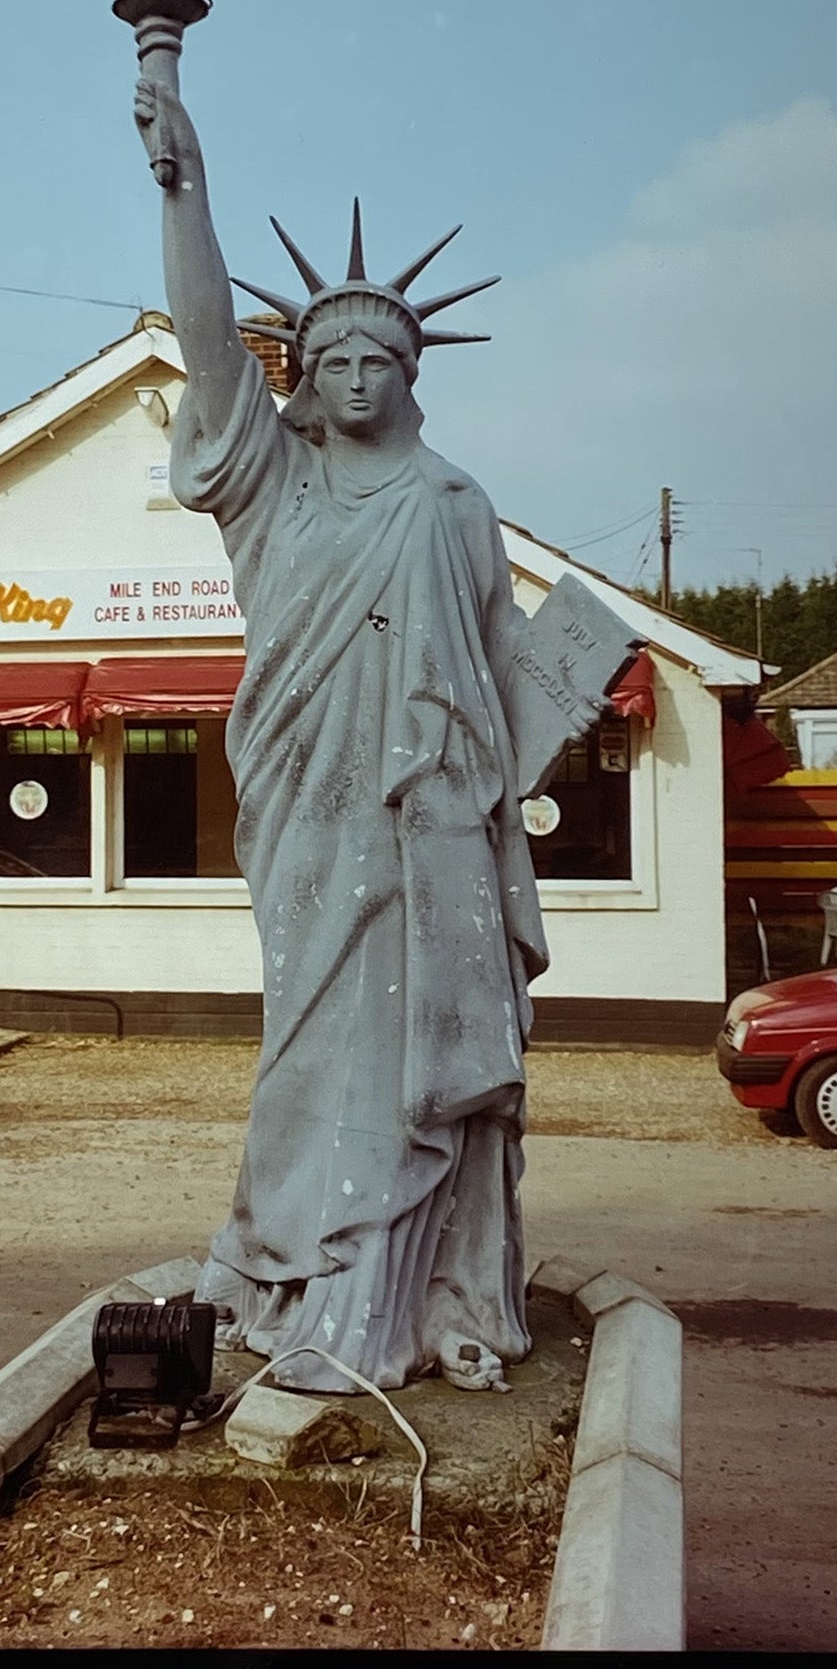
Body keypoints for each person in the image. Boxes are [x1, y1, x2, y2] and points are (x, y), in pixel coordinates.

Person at [134, 72, 550, 1393]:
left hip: (426, 824)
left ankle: (373, 1297)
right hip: (306, 808)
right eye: (335, 359)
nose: (359, 375)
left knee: (404, 1046)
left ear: (412, 373)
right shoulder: (273, 479)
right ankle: (280, 1262)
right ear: (299, 373)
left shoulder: (451, 502)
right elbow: (206, 343)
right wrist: (184, 186)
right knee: (310, 1041)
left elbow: (497, 678)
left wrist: (491, 800)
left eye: (383, 359)